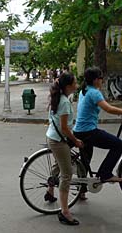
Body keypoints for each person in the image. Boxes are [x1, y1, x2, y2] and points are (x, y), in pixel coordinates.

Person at [73, 67, 122, 195]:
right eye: (100, 78)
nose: (102, 81)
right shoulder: (94, 92)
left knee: (85, 161)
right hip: (88, 132)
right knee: (118, 144)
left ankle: (81, 190)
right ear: (94, 80)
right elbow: (108, 109)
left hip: (79, 130)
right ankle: (105, 174)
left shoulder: (85, 90)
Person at [46, 72, 84, 226]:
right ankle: (64, 212)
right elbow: (64, 127)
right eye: (75, 83)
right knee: (67, 174)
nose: (77, 85)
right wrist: (75, 140)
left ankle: (50, 192)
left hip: (53, 137)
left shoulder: (59, 98)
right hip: (58, 140)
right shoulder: (64, 102)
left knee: (58, 165)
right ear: (68, 86)